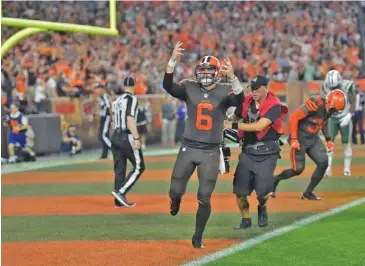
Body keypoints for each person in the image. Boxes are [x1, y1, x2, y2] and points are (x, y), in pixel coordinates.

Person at [163, 42, 244, 248]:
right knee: (175, 189)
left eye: (210, 70)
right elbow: (168, 86)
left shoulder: (225, 90)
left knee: (204, 196)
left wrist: (233, 77)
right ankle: (176, 200)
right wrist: (172, 61)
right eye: (203, 69)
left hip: (210, 150)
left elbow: (241, 101)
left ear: (217, 72)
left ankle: (198, 236)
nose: (206, 73)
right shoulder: (189, 86)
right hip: (188, 147)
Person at [224, 75, 288, 229]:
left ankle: (262, 207)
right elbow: (234, 117)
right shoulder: (246, 102)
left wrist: (232, 125)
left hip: (268, 154)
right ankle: (245, 220)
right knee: (239, 191)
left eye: (257, 88)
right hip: (247, 152)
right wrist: (225, 119)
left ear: (266, 87)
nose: (254, 92)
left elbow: (260, 126)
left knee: (262, 192)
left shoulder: (275, 105)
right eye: (252, 88)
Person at [272, 90, 347, 200]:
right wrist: (293, 139)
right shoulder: (316, 102)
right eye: (334, 109)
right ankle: (275, 180)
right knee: (297, 169)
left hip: (313, 139)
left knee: (323, 162)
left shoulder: (329, 110)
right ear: (330, 102)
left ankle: (308, 193)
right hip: (300, 138)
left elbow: (323, 122)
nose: (334, 111)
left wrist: (328, 139)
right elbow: (294, 117)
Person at [110, 76, 145, 208]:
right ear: (134, 86)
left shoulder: (116, 100)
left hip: (115, 135)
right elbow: (130, 119)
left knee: (119, 169)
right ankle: (121, 192)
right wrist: (136, 138)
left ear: (124, 86)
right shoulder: (132, 99)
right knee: (139, 166)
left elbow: (114, 120)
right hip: (126, 136)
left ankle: (118, 202)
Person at [322, 70, 356, 176]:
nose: (333, 89)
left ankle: (347, 169)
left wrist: (349, 115)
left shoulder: (348, 85)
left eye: (335, 86)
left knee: (346, 142)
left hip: (344, 116)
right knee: (329, 143)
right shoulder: (324, 86)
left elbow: (353, 101)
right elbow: (325, 103)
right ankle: (328, 169)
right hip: (332, 117)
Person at [97, 85, 112, 159]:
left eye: (99, 89)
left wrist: (112, 119)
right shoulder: (100, 98)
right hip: (102, 118)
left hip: (106, 117)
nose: (98, 91)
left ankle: (114, 149)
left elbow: (109, 107)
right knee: (101, 136)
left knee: (104, 136)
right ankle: (104, 154)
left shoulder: (105, 96)